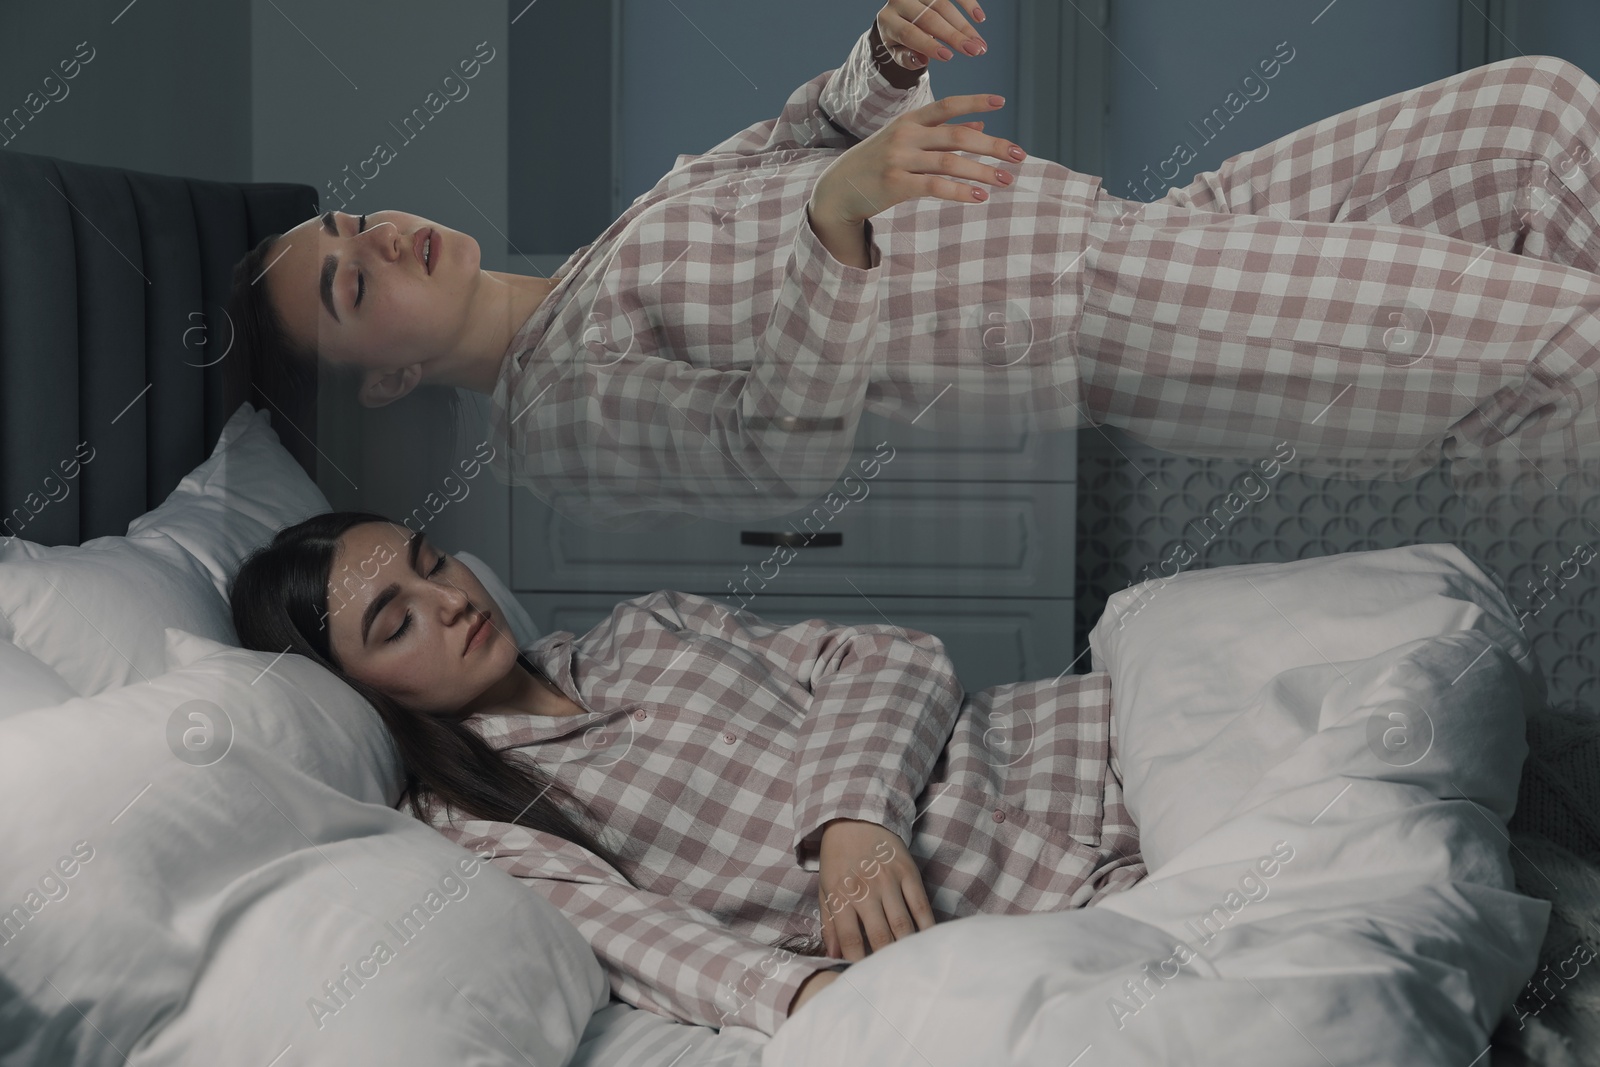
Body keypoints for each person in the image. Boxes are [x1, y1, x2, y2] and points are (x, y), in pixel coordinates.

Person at [226, 1, 1600, 531]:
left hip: (1142, 219)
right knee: (1570, 349)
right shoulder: (553, 416)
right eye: (354, 285)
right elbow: (781, 457)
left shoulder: (611, 244)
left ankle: (1541, 442)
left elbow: (808, 136)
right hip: (1118, 313)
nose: (382, 239)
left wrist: (879, 58)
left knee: (1539, 116)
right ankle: (1528, 432)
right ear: (394, 375)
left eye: (354, 223)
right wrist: (834, 222)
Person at [229, 510, 1146, 1035]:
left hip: (1103, 734)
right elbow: (656, 946)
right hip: (1073, 896)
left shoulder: (645, 624)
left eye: (433, 563)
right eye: (398, 622)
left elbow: (892, 655)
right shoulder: (480, 827)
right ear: (358, 692)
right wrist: (836, 1008)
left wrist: (850, 819)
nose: (451, 599)